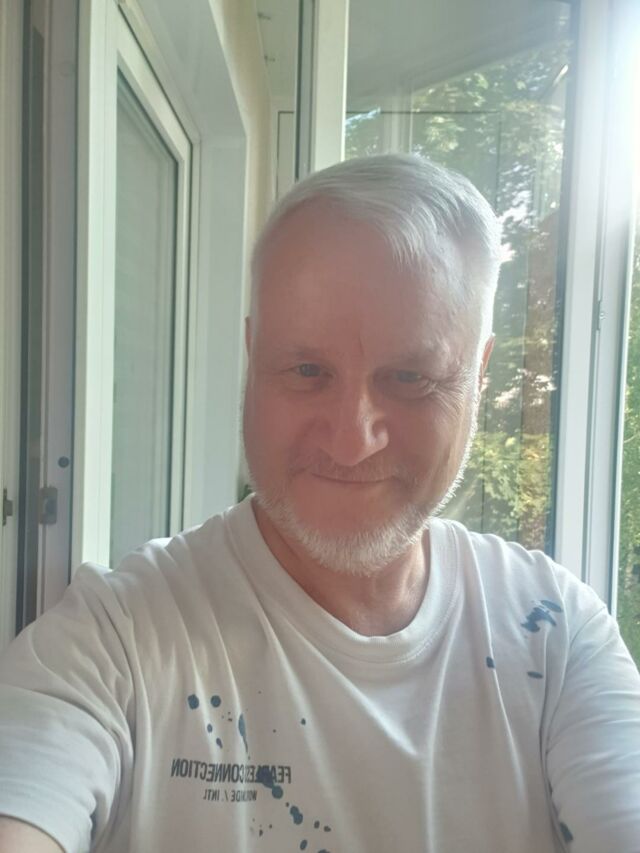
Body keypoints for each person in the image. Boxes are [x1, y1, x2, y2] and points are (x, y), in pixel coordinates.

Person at [0, 154, 639, 853]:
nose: (352, 439)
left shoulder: (558, 642)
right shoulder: (114, 642)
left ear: (479, 377)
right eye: (307, 370)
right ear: (253, 354)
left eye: (410, 377)